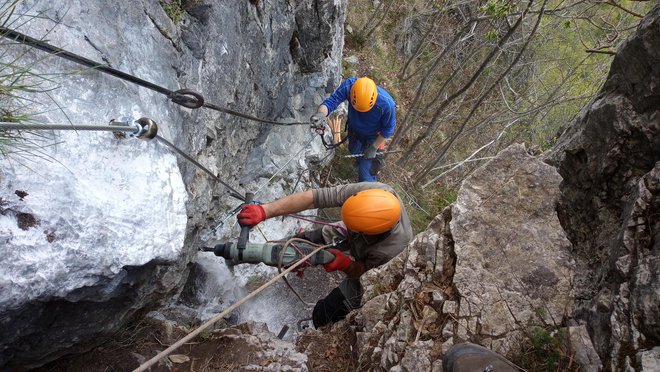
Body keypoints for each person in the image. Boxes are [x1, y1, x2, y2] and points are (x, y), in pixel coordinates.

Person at [237, 182, 413, 328]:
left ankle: (316, 326)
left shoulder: (391, 251)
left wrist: (346, 265)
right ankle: (246, 257)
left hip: (371, 268)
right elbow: (314, 198)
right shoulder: (374, 194)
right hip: (352, 226)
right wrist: (265, 211)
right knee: (296, 246)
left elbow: (366, 276)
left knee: (328, 311)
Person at [310, 77, 396, 182]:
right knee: (354, 150)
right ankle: (360, 160)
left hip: (374, 137)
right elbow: (331, 102)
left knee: (366, 178)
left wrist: (374, 147)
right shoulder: (349, 87)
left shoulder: (387, 104)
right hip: (354, 130)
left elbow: (388, 129)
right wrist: (321, 114)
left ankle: (366, 184)